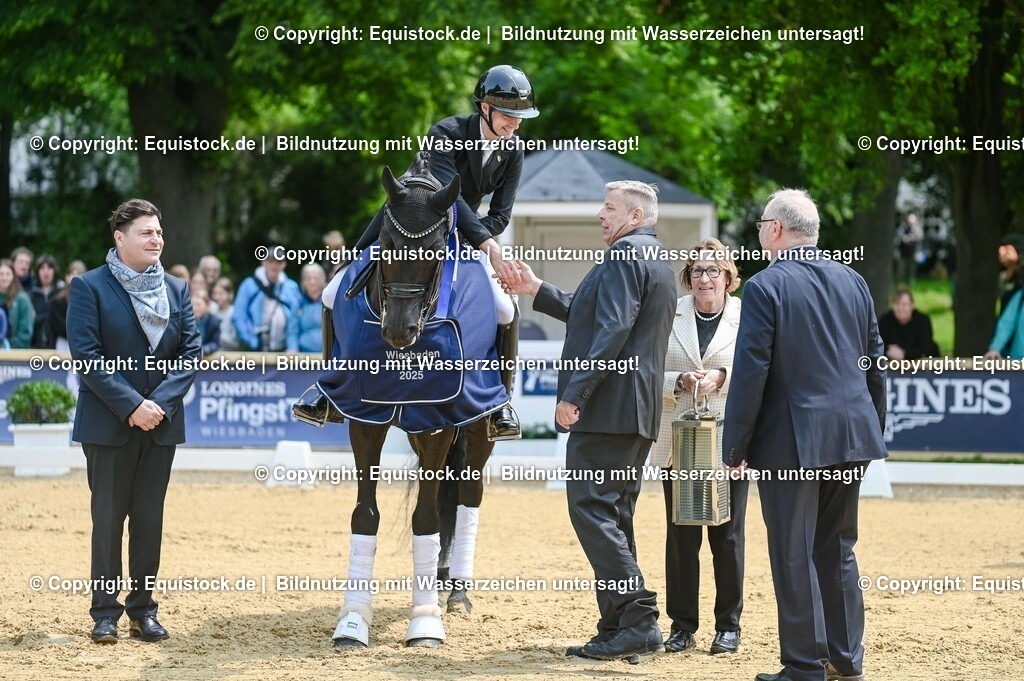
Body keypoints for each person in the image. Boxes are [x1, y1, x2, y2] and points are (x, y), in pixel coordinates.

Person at [294, 64, 539, 440]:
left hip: (462, 237)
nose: (515, 124)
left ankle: (499, 403)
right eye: (508, 114)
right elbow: (449, 195)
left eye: (520, 117)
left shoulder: (513, 152)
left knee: (506, 308)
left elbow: (501, 215)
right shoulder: (446, 133)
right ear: (485, 108)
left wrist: (474, 242)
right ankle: (326, 392)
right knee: (331, 292)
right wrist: (488, 246)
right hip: (408, 229)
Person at [504, 180, 676, 661]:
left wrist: (575, 393)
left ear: (635, 216)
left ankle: (638, 617)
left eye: (609, 207)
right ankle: (620, 625)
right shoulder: (654, 258)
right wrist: (535, 289)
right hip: (636, 411)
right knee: (614, 516)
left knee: (591, 509)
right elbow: (594, 314)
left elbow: (613, 328)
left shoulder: (624, 255)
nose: (600, 213)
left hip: (609, 408)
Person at [722, 189, 886, 681]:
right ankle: (845, 659)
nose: (760, 233)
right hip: (852, 434)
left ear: (775, 229)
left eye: (761, 224)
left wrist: (735, 445)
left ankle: (804, 664)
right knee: (837, 548)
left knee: (793, 551)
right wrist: (872, 427)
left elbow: (751, 372)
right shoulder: (853, 279)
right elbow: (875, 361)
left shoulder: (765, 286)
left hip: (791, 439)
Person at [67, 198, 200, 645]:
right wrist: (131, 406)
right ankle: (105, 613)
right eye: (146, 232)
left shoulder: (177, 289)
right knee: (108, 520)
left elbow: (190, 353)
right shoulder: (88, 286)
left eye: (158, 232)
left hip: (160, 424)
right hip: (108, 425)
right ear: (119, 238)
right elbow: (88, 357)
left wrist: (156, 404)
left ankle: (143, 611)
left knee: (148, 520)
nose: (156, 239)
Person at [647, 237, 747, 656]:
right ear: (688, 278)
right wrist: (679, 381)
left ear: (728, 277)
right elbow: (646, 368)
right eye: (697, 271)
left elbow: (763, 370)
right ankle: (682, 626)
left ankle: (728, 626)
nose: (705, 278)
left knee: (728, 538)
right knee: (681, 538)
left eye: (713, 270)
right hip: (679, 442)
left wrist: (722, 377)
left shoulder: (746, 316)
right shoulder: (669, 311)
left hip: (729, 444)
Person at [232, 248, 301, 352]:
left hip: (282, 351)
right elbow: (239, 315)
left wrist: (292, 346)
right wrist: (250, 341)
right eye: (271, 261)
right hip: (253, 350)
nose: (274, 266)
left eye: (278, 262)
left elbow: (294, 319)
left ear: (284, 265)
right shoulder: (249, 285)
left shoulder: (291, 287)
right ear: (263, 262)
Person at [877, 286, 939, 360]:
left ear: (912, 305)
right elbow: (878, 346)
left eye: (904, 304)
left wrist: (904, 353)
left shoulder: (923, 321)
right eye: (897, 304)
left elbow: (926, 348)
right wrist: (890, 352)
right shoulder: (885, 320)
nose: (900, 308)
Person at [48, 260, 87, 352]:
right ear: (67, 276)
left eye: (79, 274)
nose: (76, 277)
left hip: (83, 344)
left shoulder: (89, 300)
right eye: (73, 274)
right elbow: (58, 326)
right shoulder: (57, 301)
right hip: (63, 343)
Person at [30, 255, 64, 348]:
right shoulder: (31, 294)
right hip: (35, 346)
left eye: (49, 267)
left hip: (58, 347)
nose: (46, 272)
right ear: (37, 272)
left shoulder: (62, 293)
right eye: (42, 268)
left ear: (54, 271)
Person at [0, 258, 35, 348]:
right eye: (1, 274)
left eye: (7, 274)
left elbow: (25, 333)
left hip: (16, 351)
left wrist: (7, 347)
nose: (4, 278)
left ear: (13, 276)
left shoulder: (22, 299)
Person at [297, 263, 326, 353]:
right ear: (304, 281)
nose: (312, 282)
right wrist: (292, 348)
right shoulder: (298, 303)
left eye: (315, 278)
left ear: (322, 279)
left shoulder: (330, 302)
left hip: (329, 355)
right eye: (309, 278)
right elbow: (292, 330)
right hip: (303, 355)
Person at [211, 277, 239, 351]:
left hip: (229, 355)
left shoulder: (233, 312)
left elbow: (235, 342)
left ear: (229, 294)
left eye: (221, 294)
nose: (217, 297)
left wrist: (215, 337)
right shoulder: (213, 311)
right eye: (215, 293)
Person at [192, 289, 221, 355]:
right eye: (193, 305)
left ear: (207, 305)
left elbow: (215, 343)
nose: (195, 308)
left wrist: (205, 349)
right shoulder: (187, 321)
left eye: (198, 305)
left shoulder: (214, 322)